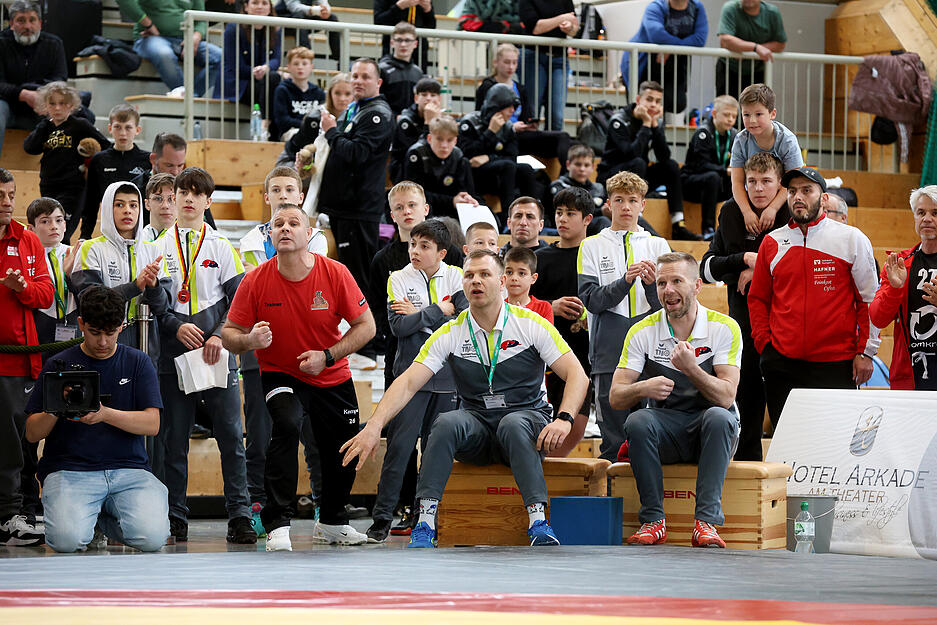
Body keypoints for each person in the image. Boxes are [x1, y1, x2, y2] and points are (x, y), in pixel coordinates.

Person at [341, 249, 590, 548]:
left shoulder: (530, 324)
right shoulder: (452, 331)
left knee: (512, 423)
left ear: (501, 282)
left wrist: (564, 419)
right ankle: (425, 523)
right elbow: (407, 382)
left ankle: (538, 521)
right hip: (479, 429)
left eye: (485, 274)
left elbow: (578, 375)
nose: (476, 281)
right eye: (469, 275)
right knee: (446, 422)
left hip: (526, 423)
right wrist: (373, 426)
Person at [223, 205, 377, 551]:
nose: (286, 229)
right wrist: (249, 341)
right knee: (288, 423)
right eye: (278, 224)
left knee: (343, 444)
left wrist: (328, 356)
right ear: (270, 235)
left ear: (309, 235)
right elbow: (230, 331)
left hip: (330, 371)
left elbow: (367, 326)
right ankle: (277, 523)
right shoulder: (256, 280)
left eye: (294, 223)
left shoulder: (335, 273)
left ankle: (334, 522)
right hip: (281, 373)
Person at [609, 252, 742, 549]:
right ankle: (653, 520)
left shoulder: (724, 328)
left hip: (711, 434)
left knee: (720, 417)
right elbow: (616, 396)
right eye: (661, 283)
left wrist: (692, 368)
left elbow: (726, 396)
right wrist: (644, 387)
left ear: (697, 286)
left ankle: (705, 523)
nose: (668, 290)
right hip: (667, 433)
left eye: (676, 281)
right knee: (637, 420)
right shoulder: (641, 331)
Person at [24, 285, 169, 553]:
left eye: (111, 333)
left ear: (122, 326)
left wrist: (104, 414)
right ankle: (88, 520)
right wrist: (57, 406)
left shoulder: (138, 362)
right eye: (94, 333)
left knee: (153, 538)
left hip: (129, 469)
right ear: (81, 324)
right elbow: (32, 434)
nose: (103, 342)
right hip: (69, 469)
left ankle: (98, 519)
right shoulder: (58, 364)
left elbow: (152, 424)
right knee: (66, 542)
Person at [154, 167, 254, 545]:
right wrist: (172, 324)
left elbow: (239, 302)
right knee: (173, 440)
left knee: (231, 436)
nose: (190, 199)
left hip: (216, 355)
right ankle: (175, 516)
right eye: (183, 192)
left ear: (209, 201)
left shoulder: (221, 247)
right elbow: (152, 300)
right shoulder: (156, 247)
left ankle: (240, 516)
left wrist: (218, 335)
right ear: (173, 198)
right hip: (171, 354)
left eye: (198, 193)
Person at [365, 183, 464, 533]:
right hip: (409, 374)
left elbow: (466, 321)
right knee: (400, 448)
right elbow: (398, 328)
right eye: (411, 244)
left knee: (437, 451)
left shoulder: (460, 277)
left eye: (424, 246)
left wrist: (421, 314)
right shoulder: (396, 277)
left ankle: (428, 516)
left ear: (442, 251)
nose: (415, 251)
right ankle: (381, 519)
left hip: (449, 375)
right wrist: (439, 310)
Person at [748, 167, 879, 427]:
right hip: (782, 363)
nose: (798, 197)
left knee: (834, 448)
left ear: (824, 198)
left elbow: (868, 300)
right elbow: (758, 299)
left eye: (807, 190)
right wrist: (765, 344)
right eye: (793, 191)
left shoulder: (851, 239)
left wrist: (866, 352)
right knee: (786, 450)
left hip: (836, 363)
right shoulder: (772, 242)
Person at [700, 152, 789, 461]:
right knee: (747, 394)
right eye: (752, 181)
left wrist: (757, 268)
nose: (759, 188)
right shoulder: (730, 212)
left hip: (785, 324)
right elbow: (707, 269)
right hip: (744, 323)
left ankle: (789, 467)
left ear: (779, 185)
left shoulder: (790, 213)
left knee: (783, 400)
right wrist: (744, 259)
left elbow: (797, 265)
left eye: (766, 181)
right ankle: (746, 468)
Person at [578, 171, 671, 461]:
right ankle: (611, 500)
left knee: (650, 433)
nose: (626, 207)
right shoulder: (591, 245)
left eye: (633, 200)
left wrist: (651, 289)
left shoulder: (658, 246)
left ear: (643, 205)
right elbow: (591, 299)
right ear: (609, 204)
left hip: (651, 350)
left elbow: (671, 306)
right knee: (612, 439)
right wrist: (624, 281)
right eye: (619, 200)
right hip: (608, 350)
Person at [0, 168, 53, 546]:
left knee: (15, 440)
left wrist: (22, 290)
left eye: (11, 194)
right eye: (0, 195)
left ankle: (10, 514)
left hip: (18, 360)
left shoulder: (27, 239)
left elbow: (46, 295)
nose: (7, 202)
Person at [318, 58, 395, 297]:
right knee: (347, 276)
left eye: (365, 77)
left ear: (378, 82)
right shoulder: (357, 109)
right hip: (345, 208)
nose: (358, 81)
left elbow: (357, 153)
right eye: (355, 76)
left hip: (357, 210)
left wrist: (331, 131)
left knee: (358, 280)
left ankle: (368, 332)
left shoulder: (377, 115)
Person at [531, 187, 591, 456]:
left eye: (571, 213)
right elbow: (518, 303)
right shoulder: (540, 259)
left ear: (587, 219)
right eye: (559, 213)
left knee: (573, 430)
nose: (563, 219)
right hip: (546, 357)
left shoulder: (596, 256)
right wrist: (550, 307)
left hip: (587, 355)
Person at [598, 80, 698, 241]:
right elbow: (630, 153)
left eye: (657, 101)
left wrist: (655, 127)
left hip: (638, 173)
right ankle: (639, 216)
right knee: (639, 162)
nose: (653, 105)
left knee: (671, 166)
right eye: (649, 100)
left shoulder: (655, 121)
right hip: (612, 176)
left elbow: (663, 155)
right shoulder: (619, 120)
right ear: (638, 100)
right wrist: (645, 125)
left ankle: (678, 223)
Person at [23, 81, 111, 244]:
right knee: (51, 234)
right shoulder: (45, 127)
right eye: (52, 103)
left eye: (62, 103)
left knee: (61, 232)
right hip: (48, 185)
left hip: (73, 187)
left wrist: (89, 164)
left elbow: (106, 146)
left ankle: (64, 268)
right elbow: (29, 147)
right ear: (45, 105)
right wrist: (43, 124)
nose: (57, 108)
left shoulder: (80, 125)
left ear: (71, 105)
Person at [870, 186, 937, 390]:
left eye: (935, 213)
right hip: (910, 379)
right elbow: (877, 318)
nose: (927, 219)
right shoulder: (900, 263)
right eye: (921, 213)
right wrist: (895, 289)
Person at [475, 43, 571, 172]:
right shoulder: (487, 86)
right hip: (501, 136)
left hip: (521, 135)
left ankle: (564, 176)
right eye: (507, 62)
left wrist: (530, 125)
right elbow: (481, 118)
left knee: (565, 139)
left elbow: (525, 116)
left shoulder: (520, 88)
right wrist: (510, 127)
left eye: (514, 63)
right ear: (495, 62)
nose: (511, 67)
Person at [729, 84, 802, 237]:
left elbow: (794, 181)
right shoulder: (741, 140)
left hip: (782, 197)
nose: (752, 120)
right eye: (746, 115)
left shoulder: (787, 140)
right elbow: (736, 182)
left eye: (759, 114)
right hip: (754, 197)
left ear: (772, 114)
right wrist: (747, 212)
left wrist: (773, 208)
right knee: (729, 208)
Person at [459, 84, 541, 217]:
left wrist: (489, 158)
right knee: (507, 166)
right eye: (509, 106)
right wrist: (490, 132)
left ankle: (534, 214)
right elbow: (466, 154)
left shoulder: (508, 127)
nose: (512, 111)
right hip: (476, 176)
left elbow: (512, 157)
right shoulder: (470, 123)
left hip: (500, 174)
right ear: (496, 106)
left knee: (526, 168)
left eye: (514, 107)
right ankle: (508, 218)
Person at [620, 0, 708, 116]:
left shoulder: (696, 8)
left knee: (676, 103)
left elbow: (700, 39)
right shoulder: (656, 6)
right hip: (643, 62)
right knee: (641, 108)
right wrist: (678, 48)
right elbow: (656, 35)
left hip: (673, 64)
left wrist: (670, 50)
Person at [117, 0, 222, 98]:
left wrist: (196, 36)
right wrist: (147, 24)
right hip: (151, 38)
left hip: (185, 38)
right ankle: (188, 100)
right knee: (164, 53)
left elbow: (201, 18)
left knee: (221, 57)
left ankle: (190, 98)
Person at [81, 104, 151, 241]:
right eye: (118, 127)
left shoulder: (147, 160)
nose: (123, 133)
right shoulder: (99, 160)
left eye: (128, 127)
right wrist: (85, 234)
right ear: (110, 129)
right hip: (109, 230)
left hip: (140, 232)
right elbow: (91, 201)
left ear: (137, 130)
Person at [681, 95, 738, 240]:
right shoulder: (703, 133)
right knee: (712, 177)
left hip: (717, 183)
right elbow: (701, 165)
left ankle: (734, 230)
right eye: (726, 115)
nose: (730, 119)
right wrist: (725, 170)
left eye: (734, 116)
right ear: (714, 114)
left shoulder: (734, 135)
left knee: (740, 180)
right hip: (692, 183)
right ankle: (708, 229)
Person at [132, 133, 217, 229]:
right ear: (153, 159)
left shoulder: (192, 190)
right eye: (169, 165)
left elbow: (210, 232)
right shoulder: (135, 189)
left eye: (180, 165)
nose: (176, 172)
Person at [222, 0, 281, 137]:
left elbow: (276, 59)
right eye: (255, 2)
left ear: (270, 8)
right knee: (276, 90)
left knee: (274, 81)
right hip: (239, 81)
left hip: (264, 80)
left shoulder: (275, 28)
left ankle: (264, 127)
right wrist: (255, 72)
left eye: (264, 3)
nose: (260, 6)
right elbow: (235, 66)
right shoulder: (233, 28)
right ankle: (270, 134)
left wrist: (266, 68)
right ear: (246, 7)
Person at [518, 0, 578, 132]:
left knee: (557, 115)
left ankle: (552, 150)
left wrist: (569, 27)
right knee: (532, 113)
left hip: (559, 58)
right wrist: (562, 18)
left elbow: (574, 28)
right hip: (534, 56)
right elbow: (535, 27)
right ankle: (530, 150)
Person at [403, 116, 478, 218]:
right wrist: (451, 201)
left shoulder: (458, 156)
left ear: (455, 141)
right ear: (429, 138)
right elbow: (414, 195)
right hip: (422, 207)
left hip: (448, 206)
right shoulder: (416, 154)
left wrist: (466, 198)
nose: (444, 145)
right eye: (439, 139)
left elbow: (462, 189)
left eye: (449, 140)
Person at [716, 0, 787, 100]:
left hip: (757, 71)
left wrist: (743, 49)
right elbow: (725, 40)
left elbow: (780, 44)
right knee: (726, 108)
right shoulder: (730, 8)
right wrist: (756, 48)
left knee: (755, 109)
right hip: (729, 69)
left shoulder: (772, 12)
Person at [390, 78, 441, 183]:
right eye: (424, 95)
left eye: (433, 95)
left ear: (439, 99)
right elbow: (416, 153)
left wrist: (436, 121)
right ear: (416, 98)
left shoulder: (440, 117)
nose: (428, 99)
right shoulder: (406, 121)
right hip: (405, 173)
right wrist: (428, 123)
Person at [273, 46, 326, 142]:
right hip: (291, 132)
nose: (300, 67)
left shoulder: (319, 93)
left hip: (315, 132)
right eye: (296, 64)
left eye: (304, 64)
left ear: (311, 67)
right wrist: (307, 124)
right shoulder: (282, 90)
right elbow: (282, 120)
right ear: (288, 67)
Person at [379, 22, 426, 116]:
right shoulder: (382, 69)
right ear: (392, 43)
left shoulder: (418, 72)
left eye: (407, 40)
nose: (403, 44)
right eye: (399, 40)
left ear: (415, 44)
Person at [373, 0, 434, 69]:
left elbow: (431, 26)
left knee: (418, 77)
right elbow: (378, 21)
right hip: (393, 46)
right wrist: (398, 7)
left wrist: (428, 10)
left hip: (419, 49)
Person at [504, 246, 553, 323]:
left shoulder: (544, 308)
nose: (514, 278)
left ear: (533, 278)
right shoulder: (498, 308)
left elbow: (545, 335)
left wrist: (524, 320)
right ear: (503, 276)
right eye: (509, 272)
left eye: (521, 273)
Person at [141, 173, 177, 242]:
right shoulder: (136, 242)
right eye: (158, 199)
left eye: (171, 199)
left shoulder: (191, 242)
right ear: (147, 204)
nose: (165, 206)